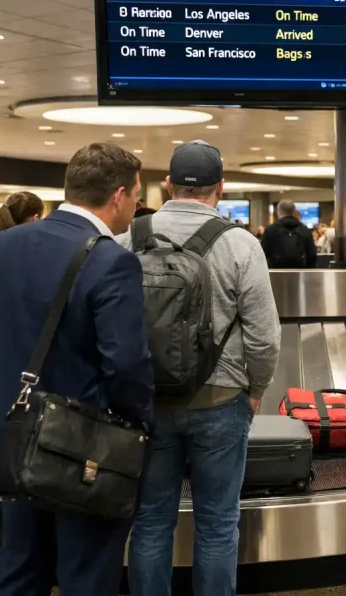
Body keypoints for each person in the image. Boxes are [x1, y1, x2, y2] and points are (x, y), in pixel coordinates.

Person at [0, 143, 154, 596]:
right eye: (137, 195)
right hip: (85, 452)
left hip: (11, 440)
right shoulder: (110, 260)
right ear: (119, 195)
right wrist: (141, 426)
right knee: (86, 575)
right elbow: (125, 362)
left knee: (20, 569)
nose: (136, 205)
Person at [118, 141, 281, 596]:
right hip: (220, 399)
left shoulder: (129, 236)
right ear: (221, 188)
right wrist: (256, 388)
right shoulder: (240, 244)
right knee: (217, 521)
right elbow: (264, 336)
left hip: (147, 400)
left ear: (168, 184)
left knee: (150, 519)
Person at [262, 201, 316, 269]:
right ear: (294, 211)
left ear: (279, 211)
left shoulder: (270, 230)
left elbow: (262, 255)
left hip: (275, 273)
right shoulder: (305, 230)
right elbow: (312, 255)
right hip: (299, 273)